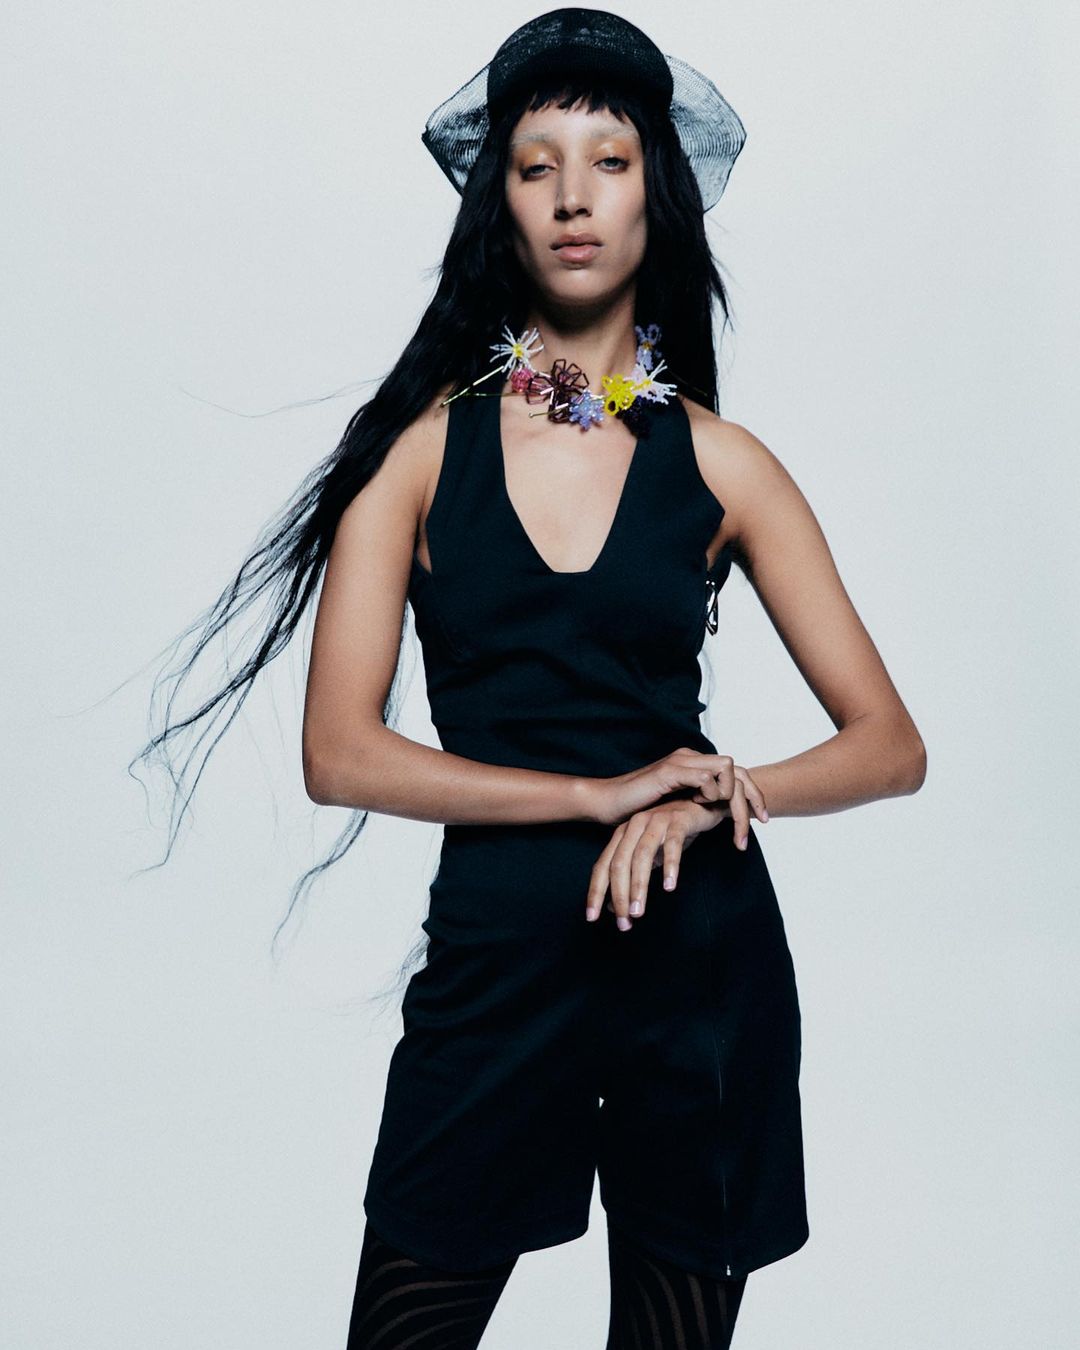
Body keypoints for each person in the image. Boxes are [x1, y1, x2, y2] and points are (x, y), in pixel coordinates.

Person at [133, 9, 926, 1348]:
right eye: (536, 163)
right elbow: (340, 752)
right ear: (496, 202)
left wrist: (710, 795)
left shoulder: (724, 463)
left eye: (609, 161)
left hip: (699, 964)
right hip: (499, 968)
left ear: (656, 197)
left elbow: (890, 743)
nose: (572, 196)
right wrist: (595, 792)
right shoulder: (414, 458)